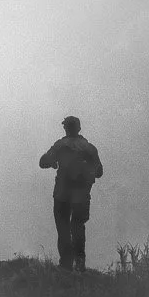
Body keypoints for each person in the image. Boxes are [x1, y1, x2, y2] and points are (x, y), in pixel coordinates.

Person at [39, 115, 103, 271]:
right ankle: (80, 264)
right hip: (81, 195)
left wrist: (53, 163)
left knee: (63, 228)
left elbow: (43, 162)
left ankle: (65, 265)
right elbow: (100, 172)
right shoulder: (90, 148)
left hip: (62, 194)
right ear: (79, 128)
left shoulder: (60, 146)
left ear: (66, 128)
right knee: (78, 227)